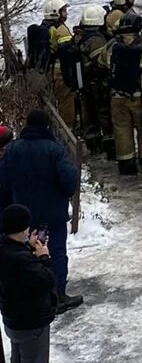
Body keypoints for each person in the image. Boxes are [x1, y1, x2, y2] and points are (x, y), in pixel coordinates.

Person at [0, 109, 82, 314]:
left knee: (27, 252)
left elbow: (5, 180)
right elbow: (70, 180)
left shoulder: (13, 149)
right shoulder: (54, 149)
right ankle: (58, 295)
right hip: (52, 213)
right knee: (55, 251)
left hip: (24, 215)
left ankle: (36, 294)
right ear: (46, 125)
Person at [0, 204, 60, 363]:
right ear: (23, 228)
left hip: (14, 321)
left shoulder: (6, 248)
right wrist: (43, 256)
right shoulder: (22, 261)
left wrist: (28, 247)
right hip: (32, 322)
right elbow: (46, 280)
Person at [101, 11, 142, 176]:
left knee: (121, 130)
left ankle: (127, 166)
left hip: (118, 98)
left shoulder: (111, 45)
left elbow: (101, 64)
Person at [27, 0, 80, 130]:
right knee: (66, 101)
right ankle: (68, 130)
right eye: (63, 11)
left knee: (57, 99)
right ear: (56, 13)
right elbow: (68, 51)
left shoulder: (45, 27)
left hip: (50, 70)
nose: (66, 14)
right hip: (61, 71)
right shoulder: (60, 29)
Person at [75, 5, 112, 158]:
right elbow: (101, 66)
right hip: (97, 85)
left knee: (89, 117)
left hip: (84, 85)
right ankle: (110, 147)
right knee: (105, 115)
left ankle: (94, 146)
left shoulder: (80, 37)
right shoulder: (97, 41)